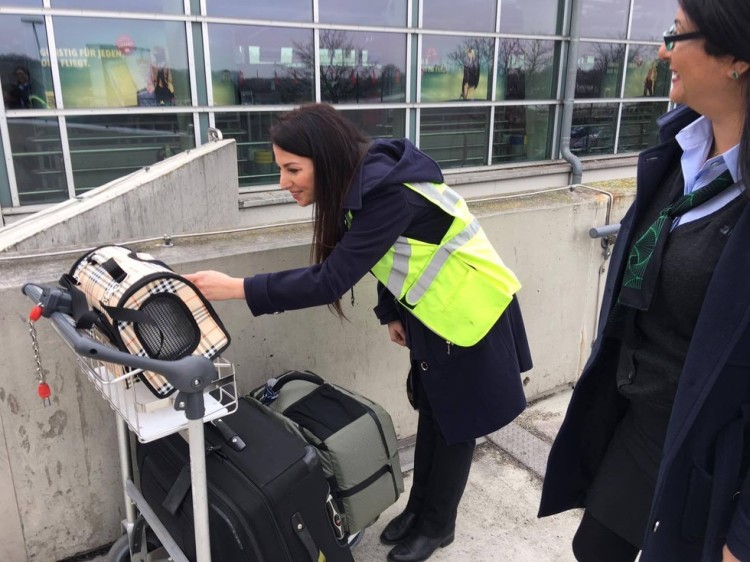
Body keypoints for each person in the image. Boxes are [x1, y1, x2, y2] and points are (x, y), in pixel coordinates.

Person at [184, 103, 532, 562]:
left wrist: (236, 288)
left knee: (454, 426)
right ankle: (420, 510)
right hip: (434, 314)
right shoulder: (364, 185)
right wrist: (391, 310)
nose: (283, 182)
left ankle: (437, 525)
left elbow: (331, 279)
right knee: (433, 411)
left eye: (292, 169)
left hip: (471, 314)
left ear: (324, 160)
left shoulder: (386, 193)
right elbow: (388, 254)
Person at [538, 1, 750, 561]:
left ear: (736, 57)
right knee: (595, 550)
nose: (662, 49)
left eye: (677, 35)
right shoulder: (679, 153)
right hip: (641, 421)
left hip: (717, 453)